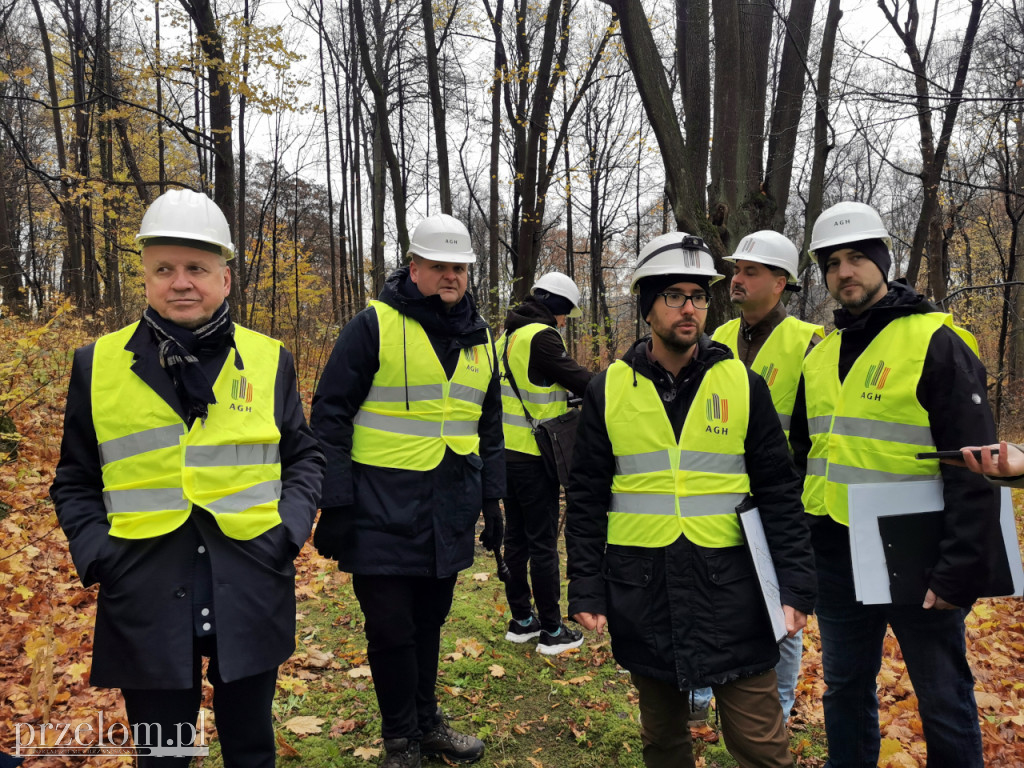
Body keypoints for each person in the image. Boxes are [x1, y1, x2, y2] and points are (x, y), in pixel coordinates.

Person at [50, 188, 325, 767]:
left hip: (250, 576)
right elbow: (75, 478)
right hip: (144, 586)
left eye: (197, 268)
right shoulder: (95, 364)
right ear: (146, 278)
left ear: (224, 278)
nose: (181, 283)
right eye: (165, 269)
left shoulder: (270, 358)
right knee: (165, 756)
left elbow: (304, 458)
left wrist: (289, 532)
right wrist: (98, 552)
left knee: (251, 748)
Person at [565, 231, 816, 768]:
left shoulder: (743, 384)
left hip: (736, 591)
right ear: (647, 306)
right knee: (663, 742)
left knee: (762, 745)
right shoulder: (608, 388)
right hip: (644, 589)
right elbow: (585, 498)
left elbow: (778, 492)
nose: (691, 308)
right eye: (675, 296)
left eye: (699, 296)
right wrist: (586, 585)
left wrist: (795, 584)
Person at [789, 201, 1013, 768]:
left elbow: (977, 469)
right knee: (844, 690)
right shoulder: (820, 356)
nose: (845, 272)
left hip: (919, 556)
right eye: (832, 262)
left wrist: (960, 568)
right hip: (837, 553)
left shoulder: (937, 343)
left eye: (858, 258)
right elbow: (804, 458)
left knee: (942, 696)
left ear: (883, 261)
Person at [311, 213, 504, 768]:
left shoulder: (481, 338)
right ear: (413, 266)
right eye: (439, 265)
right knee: (391, 628)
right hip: (379, 509)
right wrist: (337, 502)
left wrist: (492, 500)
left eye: (459, 268)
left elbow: (487, 425)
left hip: (449, 508)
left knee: (429, 623)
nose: (450, 276)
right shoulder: (374, 325)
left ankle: (428, 723)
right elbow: (330, 415)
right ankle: (400, 742)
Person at [710, 230, 824, 723]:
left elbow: (820, 433)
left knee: (784, 613)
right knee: (720, 597)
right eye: (736, 270)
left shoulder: (810, 343)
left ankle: (776, 706)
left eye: (750, 271)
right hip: (718, 498)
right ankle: (710, 690)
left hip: (782, 502)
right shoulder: (715, 339)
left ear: (781, 282)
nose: (736, 279)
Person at [497, 272, 593, 654]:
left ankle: (522, 620)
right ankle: (553, 632)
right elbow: (580, 379)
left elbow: (530, 386)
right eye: (566, 312)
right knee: (543, 544)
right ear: (555, 305)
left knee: (515, 539)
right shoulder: (543, 336)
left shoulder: (506, 337)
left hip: (505, 454)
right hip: (536, 459)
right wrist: (620, 381)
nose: (566, 320)